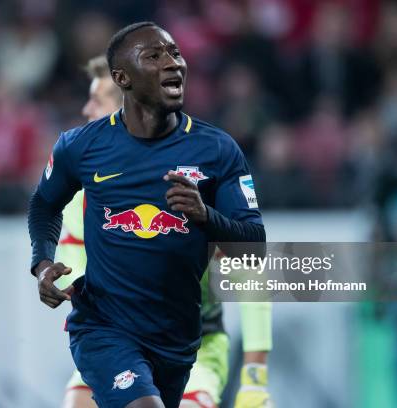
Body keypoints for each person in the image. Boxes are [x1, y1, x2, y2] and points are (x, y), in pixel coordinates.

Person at [28, 22, 266, 408]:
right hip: (104, 327)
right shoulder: (82, 147)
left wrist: (207, 217)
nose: (172, 64)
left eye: (174, 53)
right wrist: (41, 262)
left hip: (180, 339)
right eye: (154, 56)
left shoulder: (218, 151)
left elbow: (255, 252)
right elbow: (44, 203)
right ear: (122, 78)